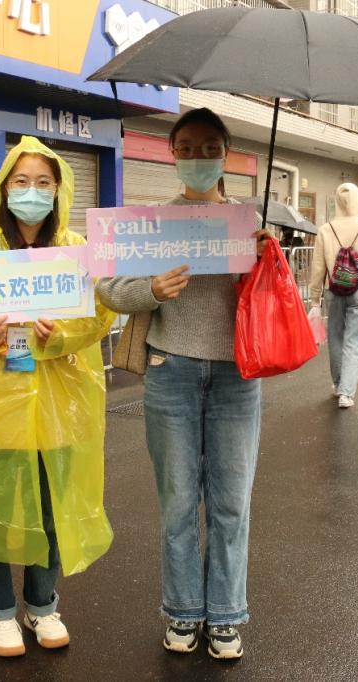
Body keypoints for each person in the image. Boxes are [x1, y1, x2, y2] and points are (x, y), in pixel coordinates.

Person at [96, 107, 269, 660]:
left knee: (231, 503)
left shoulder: (247, 222)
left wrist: (267, 259)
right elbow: (108, 287)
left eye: (209, 147)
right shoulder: (150, 223)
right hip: (170, 371)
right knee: (177, 503)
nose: (199, 157)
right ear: (173, 154)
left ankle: (226, 616)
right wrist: (151, 290)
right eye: (188, 147)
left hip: (237, 375)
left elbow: (273, 296)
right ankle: (183, 611)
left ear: (225, 154)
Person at [0, 136, 116, 657]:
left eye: (42, 182)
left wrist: (60, 335)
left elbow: (100, 316)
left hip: (61, 403)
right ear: (4, 188)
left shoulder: (77, 249)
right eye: (21, 181)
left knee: (52, 507)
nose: (31, 191)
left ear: (57, 190)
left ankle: (43, 605)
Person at [308, 183, 358, 408]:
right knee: (354, 341)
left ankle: (339, 384)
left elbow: (318, 266)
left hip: (333, 288)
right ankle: (346, 394)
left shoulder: (325, 229)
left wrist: (314, 297)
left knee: (336, 337)